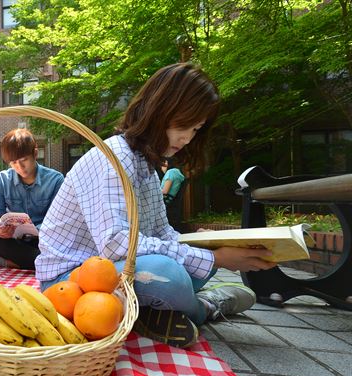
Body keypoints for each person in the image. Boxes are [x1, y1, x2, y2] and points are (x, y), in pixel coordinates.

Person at [35, 63, 276, 348]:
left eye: (196, 129)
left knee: (196, 259)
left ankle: (145, 313)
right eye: (183, 125)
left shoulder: (146, 165)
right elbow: (116, 245)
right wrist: (218, 259)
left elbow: (162, 232)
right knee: (171, 276)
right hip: (72, 282)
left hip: (112, 274)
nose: (187, 138)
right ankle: (204, 308)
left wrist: (207, 246)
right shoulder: (113, 157)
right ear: (158, 111)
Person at [0, 128, 64, 270]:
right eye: (13, 163)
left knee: (61, 246)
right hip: (16, 242)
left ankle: (8, 262)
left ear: (35, 153)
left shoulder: (55, 180)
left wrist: (39, 232)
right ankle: (48, 264)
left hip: (46, 242)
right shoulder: (1, 181)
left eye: (24, 160)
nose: (19, 167)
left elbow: (59, 223)